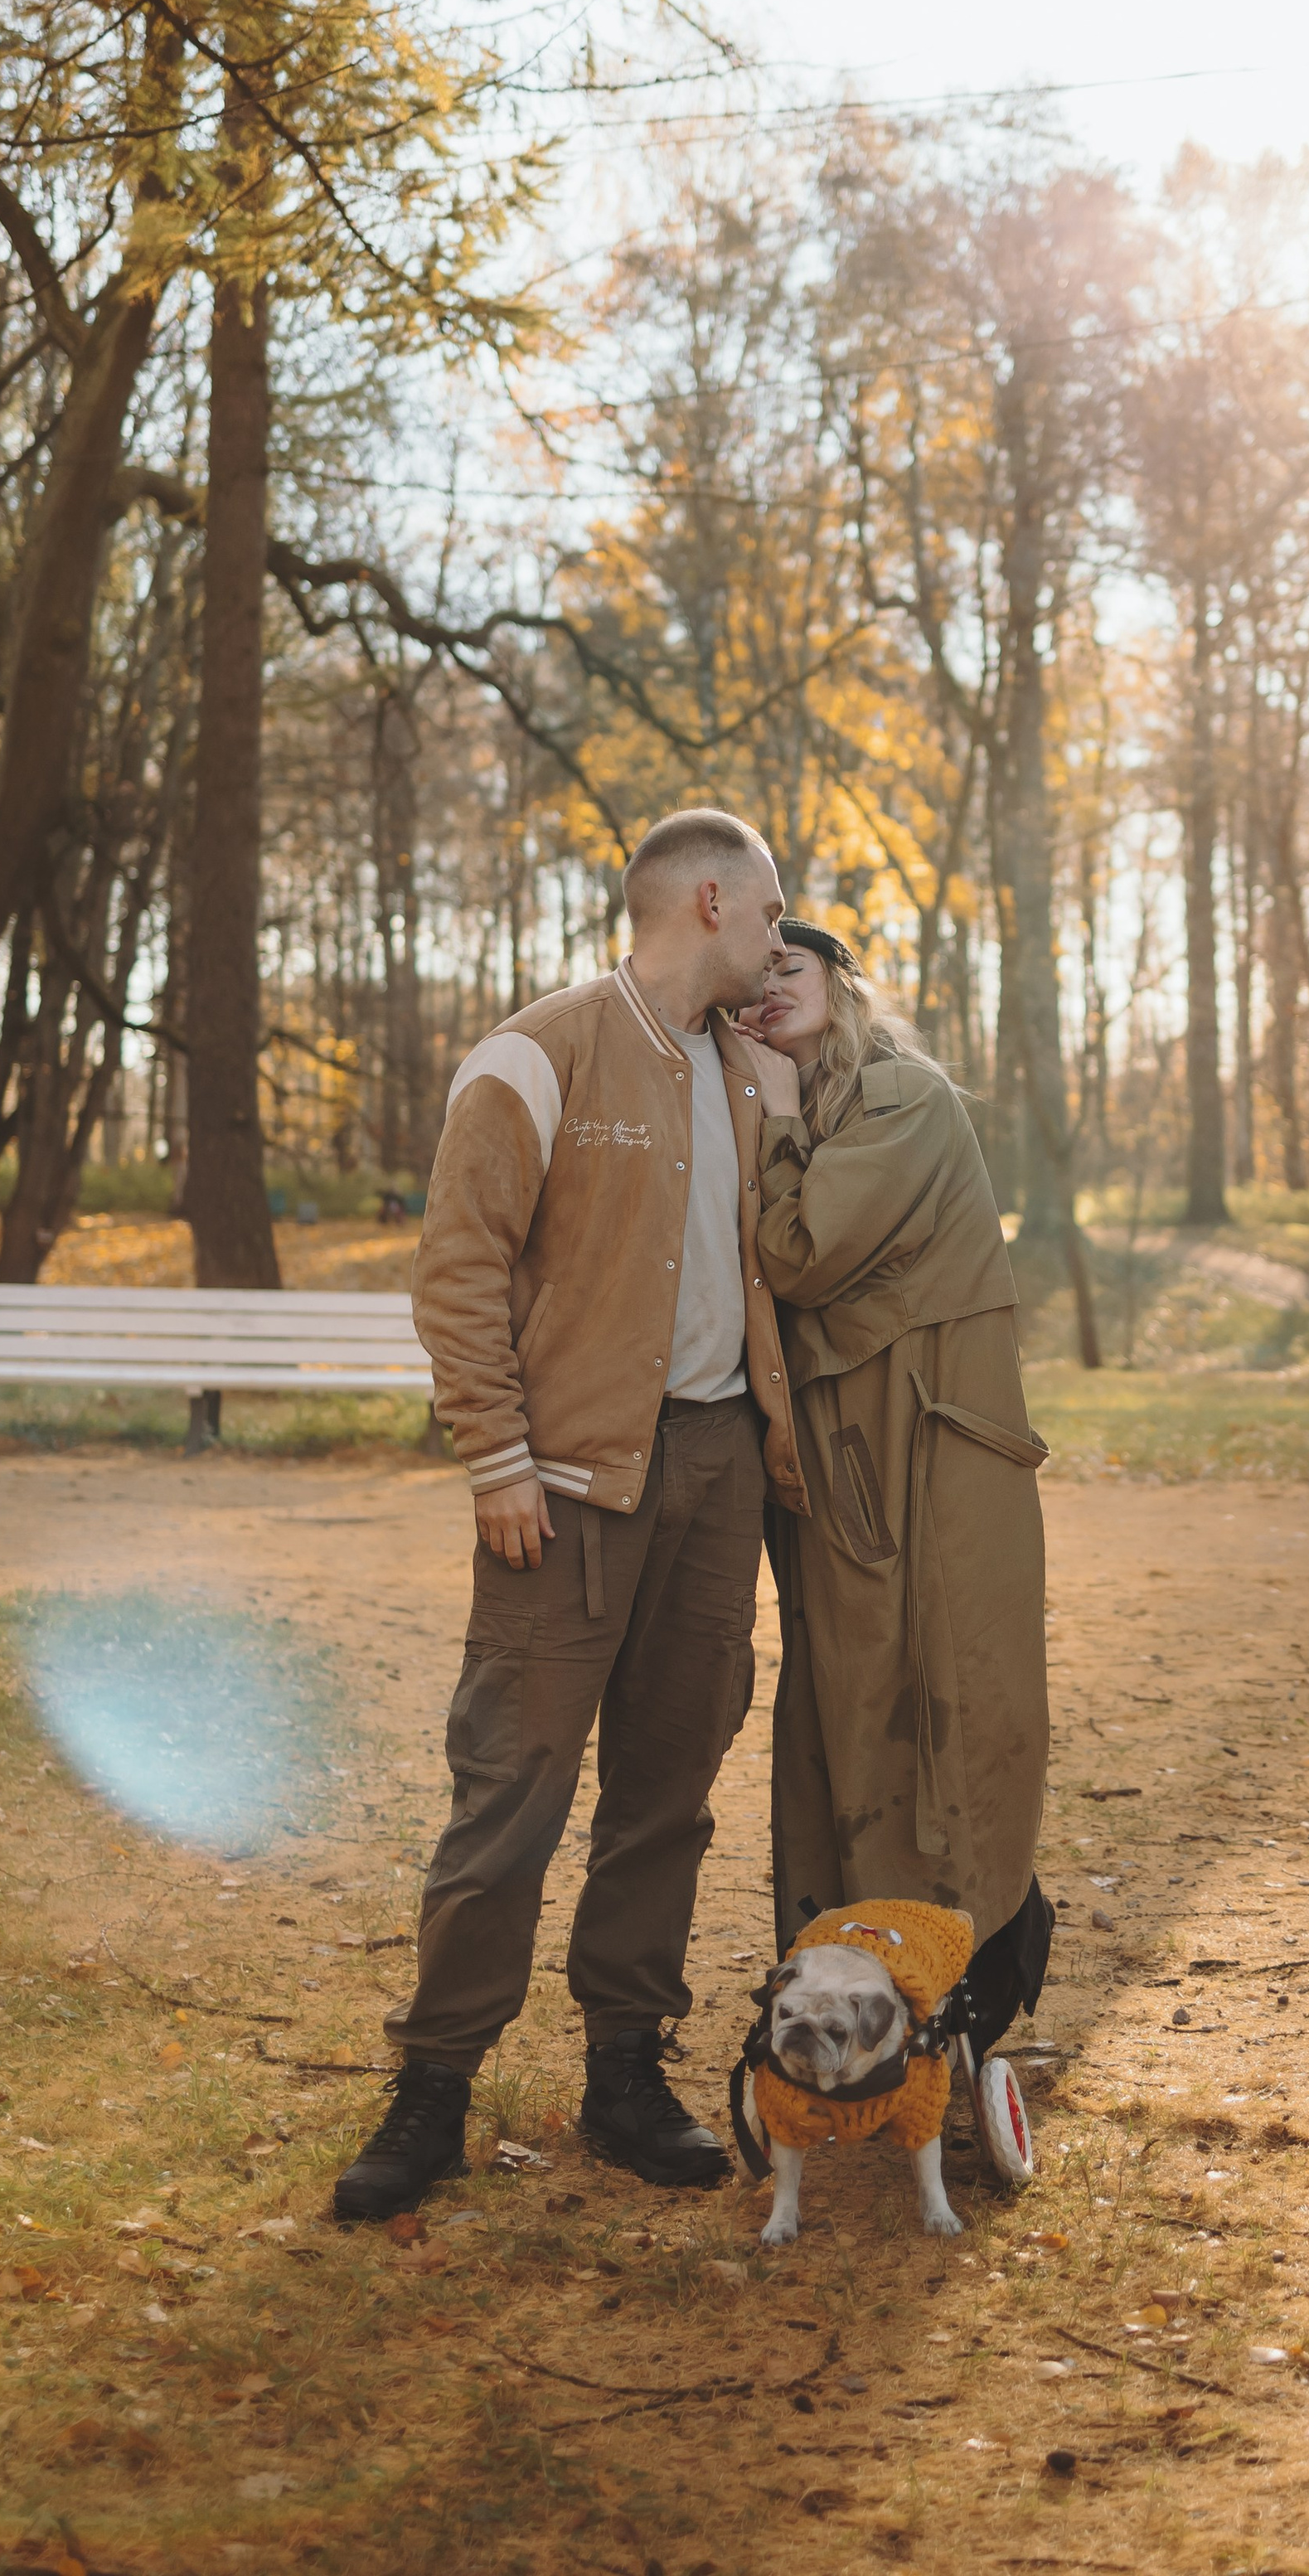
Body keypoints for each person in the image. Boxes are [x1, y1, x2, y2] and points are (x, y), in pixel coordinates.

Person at [331, 810, 806, 2220]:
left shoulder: (753, 1074)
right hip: (566, 1487)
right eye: (771, 914)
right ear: (709, 899)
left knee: (667, 1790)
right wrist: (496, 1458)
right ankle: (431, 2090)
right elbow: (458, 1263)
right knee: (513, 1793)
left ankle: (623, 2073)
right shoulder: (537, 1051)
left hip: (716, 1482)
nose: (780, 942)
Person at [739, 920, 1054, 2055]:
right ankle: (856, 1976)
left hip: (926, 1446)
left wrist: (774, 1115)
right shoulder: (789, 1100)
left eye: (794, 967)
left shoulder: (902, 1095)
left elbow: (800, 1253)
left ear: (839, 982)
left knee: (941, 1695)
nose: (770, 987)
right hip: (845, 1455)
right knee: (846, 1703)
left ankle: (978, 1948)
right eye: (756, 972)